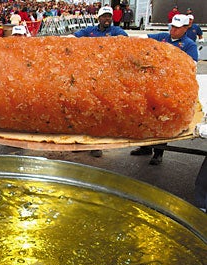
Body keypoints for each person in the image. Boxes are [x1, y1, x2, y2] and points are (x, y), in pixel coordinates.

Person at [130, 14, 198, 165]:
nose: (173, 30)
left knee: (163, 121)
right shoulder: (162, 37)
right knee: (147, 118)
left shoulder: (189, 45)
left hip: (170, 89)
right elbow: (143, 37)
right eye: (172, 26)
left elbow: (192, 65)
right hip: (152, 84)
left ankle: (158, 153)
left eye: (177, 28)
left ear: (185, 28)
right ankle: (145, 147)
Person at [74, 6, 128, 157]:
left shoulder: (116, 31)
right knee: (83, 108)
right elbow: (73, 38)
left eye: (109, 17)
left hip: (107, 76)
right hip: (87, 75)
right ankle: (79, 142)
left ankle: (96, 145)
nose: (107, 19)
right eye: (104, 17)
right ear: (99, 18)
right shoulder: (89, 30)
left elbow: (125, 41)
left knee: (99, 111)